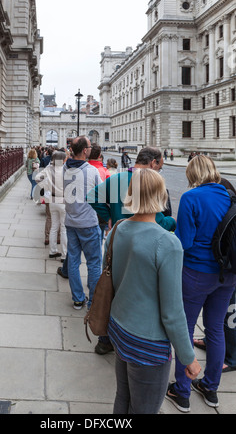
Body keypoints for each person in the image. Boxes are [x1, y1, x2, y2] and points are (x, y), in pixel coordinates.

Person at [106, 168, 201, 414]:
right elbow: (172, 311)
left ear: (131, 194)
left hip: (119, 328)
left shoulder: (117, 229)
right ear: (161, 195)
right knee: (145, 408)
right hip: (147, 343)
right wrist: (188, 357)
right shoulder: (167, 243)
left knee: (123, 397)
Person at [86, 146, 176, 355]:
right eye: (160, 167)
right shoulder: (150, 183)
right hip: (145, 247)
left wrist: (109, 216)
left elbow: (92, 196)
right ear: (153, 163)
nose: (159, 171)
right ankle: (129, 339)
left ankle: (105, 339)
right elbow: (159, 220)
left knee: (111, 287)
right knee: (136, 293)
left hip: (118, 241)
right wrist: (172, 222)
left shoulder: (117, 179)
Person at [167, 155, 236, 412]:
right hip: (228, 275)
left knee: (184, 329)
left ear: (192, 174)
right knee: (215, 329)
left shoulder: (191, 198)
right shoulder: (231, 196)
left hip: (196, 273)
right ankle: (210, 388)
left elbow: (183, 242)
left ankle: (182, 391)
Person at [193, 177, 236, 373]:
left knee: (229, 316)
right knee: (217, 322)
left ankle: (232, 357)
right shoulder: (230, 201)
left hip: (224, 270)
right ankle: (211, 383)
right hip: (227, 270)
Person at [62, 136, 102, 310]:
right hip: (88, 224)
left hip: (71, 222)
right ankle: (93, 301)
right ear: (85, 150)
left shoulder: (64, 168)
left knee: (73, 261)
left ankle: (78, 298)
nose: (90, 148)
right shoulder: (92, 171)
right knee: (94, 263)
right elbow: (103, 194)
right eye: (89, 146)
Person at [35, 150, 67, 261]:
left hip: (52, 200)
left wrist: (45, 186)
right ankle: (64, 255)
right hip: (63, 201)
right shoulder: (66, 170)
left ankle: (52, 251)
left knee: (54, 227)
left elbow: (37, 177)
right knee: (63, 228)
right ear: (62, 159)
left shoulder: (49, 169)